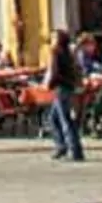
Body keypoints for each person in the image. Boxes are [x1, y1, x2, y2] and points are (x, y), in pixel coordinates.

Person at [44, 28, 86, 161]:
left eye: (53, 38)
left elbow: (54, 71)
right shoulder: (68, 53)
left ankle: (74, 150)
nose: (51, 40)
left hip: (61, 88)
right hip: (68, 87)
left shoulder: (55, 52)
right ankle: (61, 146)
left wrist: (49, 84)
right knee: (54, 118)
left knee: (65, 119)